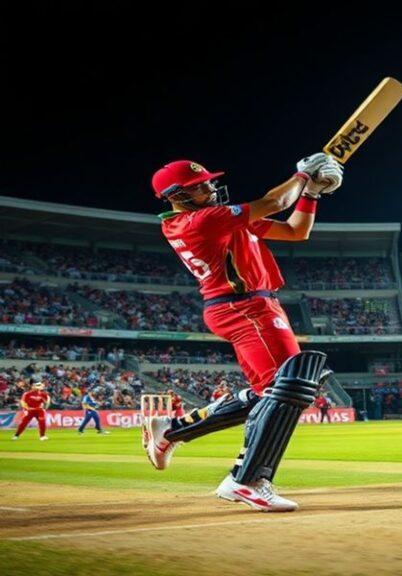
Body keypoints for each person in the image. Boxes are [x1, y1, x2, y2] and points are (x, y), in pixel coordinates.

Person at [144, 153, 342, 512]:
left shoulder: (219, 220)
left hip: (250, 305)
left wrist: (311, 192)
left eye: (206, 181)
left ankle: (172, 430)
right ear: (177, 196)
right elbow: (275, 202)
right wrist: (302, 175)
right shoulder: (199, 221)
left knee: (280, 389)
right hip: (244, 307)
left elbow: (297, 230)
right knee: (289, 387)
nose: (209, 187)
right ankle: (246, 480)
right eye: (198, 186)